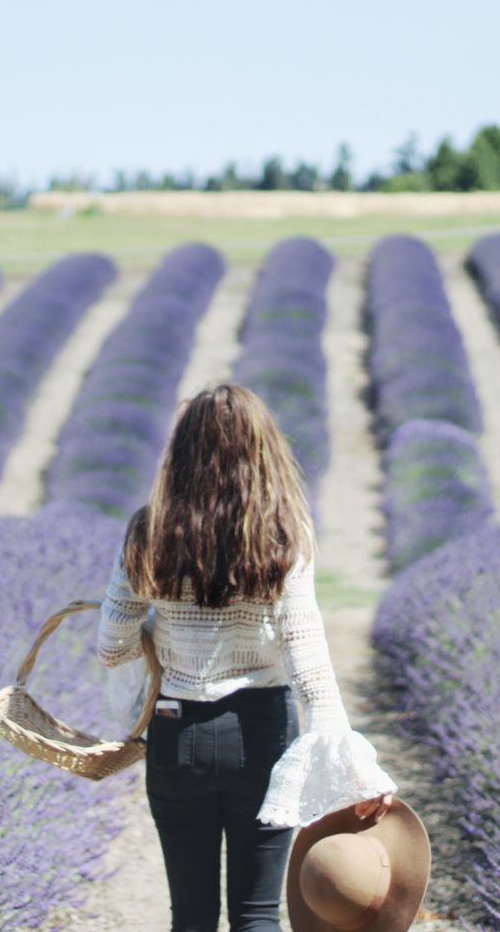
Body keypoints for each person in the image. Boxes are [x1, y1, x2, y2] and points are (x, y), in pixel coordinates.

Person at [99, 383, 398, 932]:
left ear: (182, 454)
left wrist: (160, 630)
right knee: (257, 915)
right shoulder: (285, 534)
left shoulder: (150, 530)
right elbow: (306, 653)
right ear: (263, 452)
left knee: (190, 917)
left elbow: (113, 643)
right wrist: (356, 767)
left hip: (177, 732)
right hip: (263, 734)